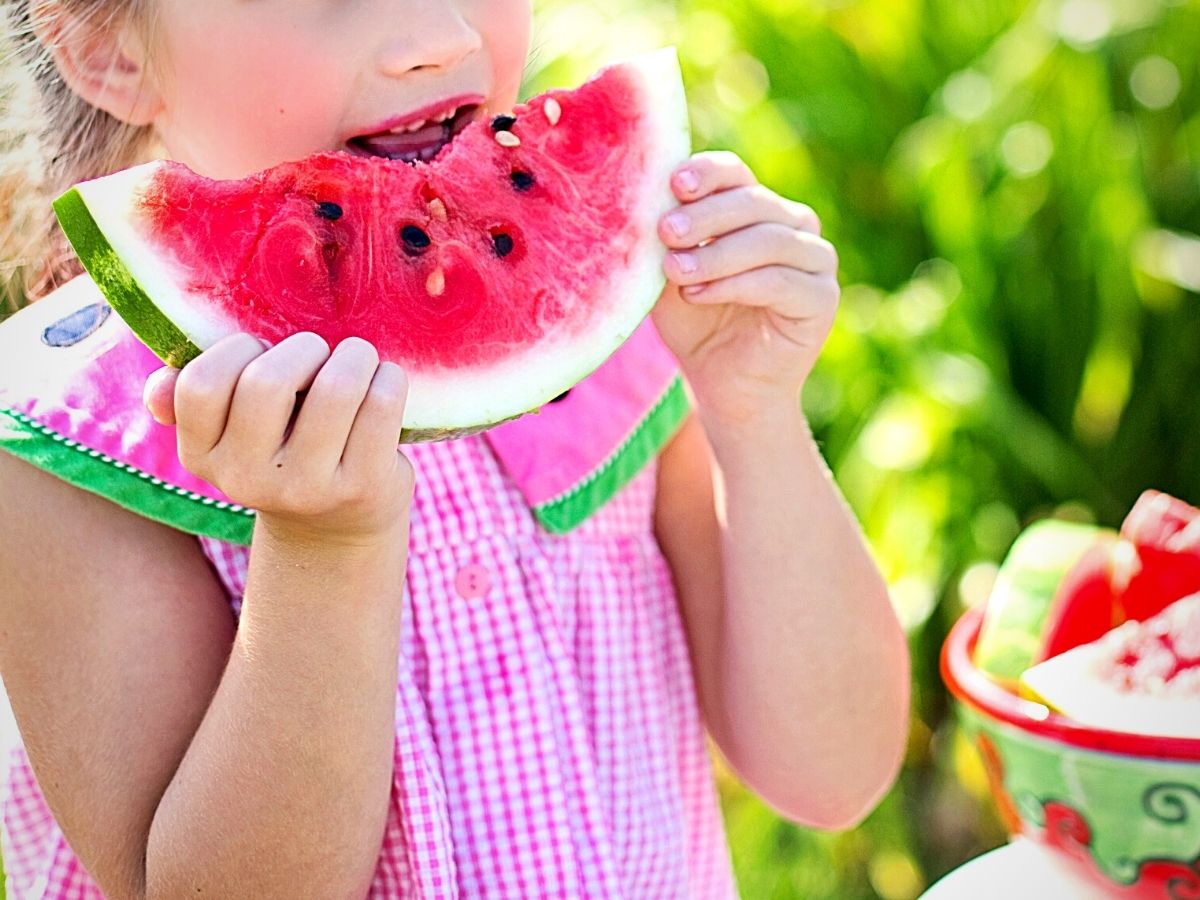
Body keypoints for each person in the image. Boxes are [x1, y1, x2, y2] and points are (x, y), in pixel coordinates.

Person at [0, 1, 910, 897]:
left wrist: (755, 414)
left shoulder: (620, 334)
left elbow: (833, 774)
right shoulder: (66, 446)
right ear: (107, 50)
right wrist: (323, 551)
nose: (445, 38)